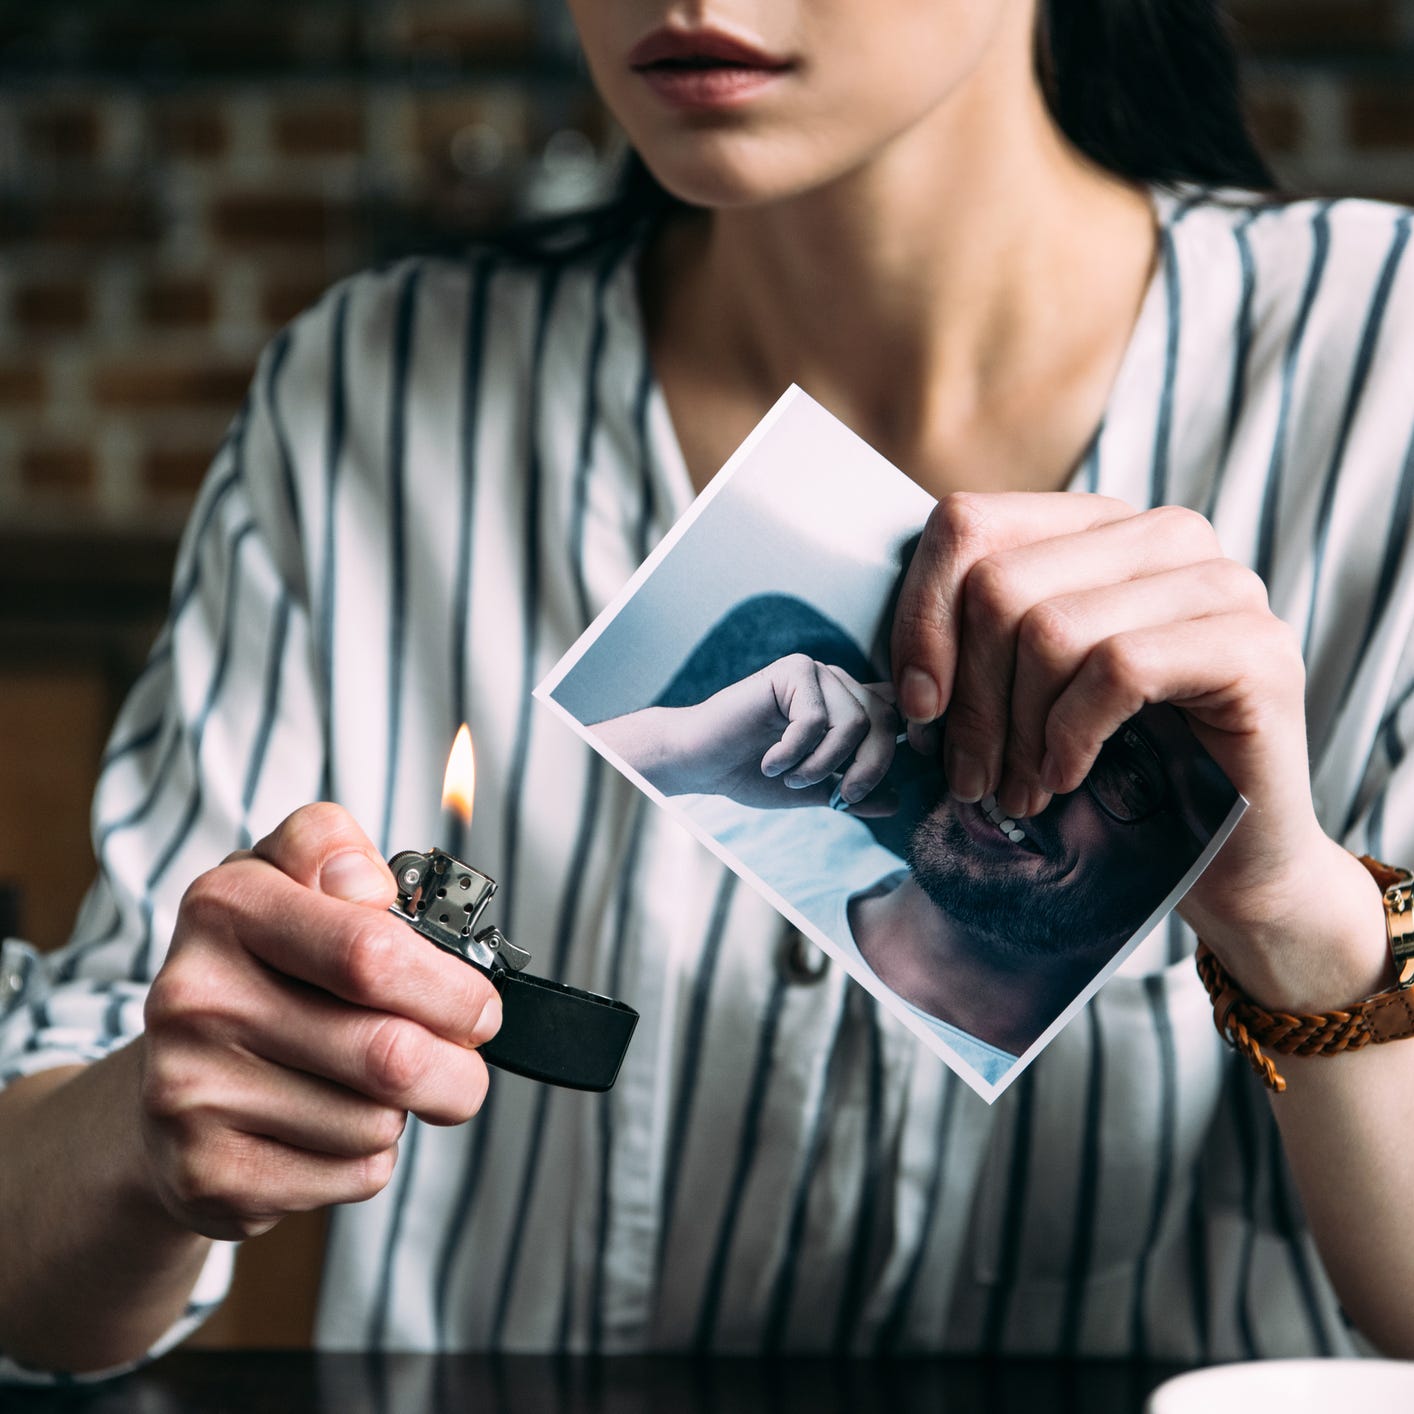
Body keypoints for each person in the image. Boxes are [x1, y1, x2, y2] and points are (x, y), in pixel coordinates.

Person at [3, 0, 1414, 1378]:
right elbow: (40, 1264)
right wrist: (153, 1132)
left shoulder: (1381, 372)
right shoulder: (370, 395)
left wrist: (1297, 918)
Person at [594, 650, 1238, 1082]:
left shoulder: (1060, 1114)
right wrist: (676, 752)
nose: (1033, 780)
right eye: (1047, 712)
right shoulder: (741, 818)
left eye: (1128, 772)